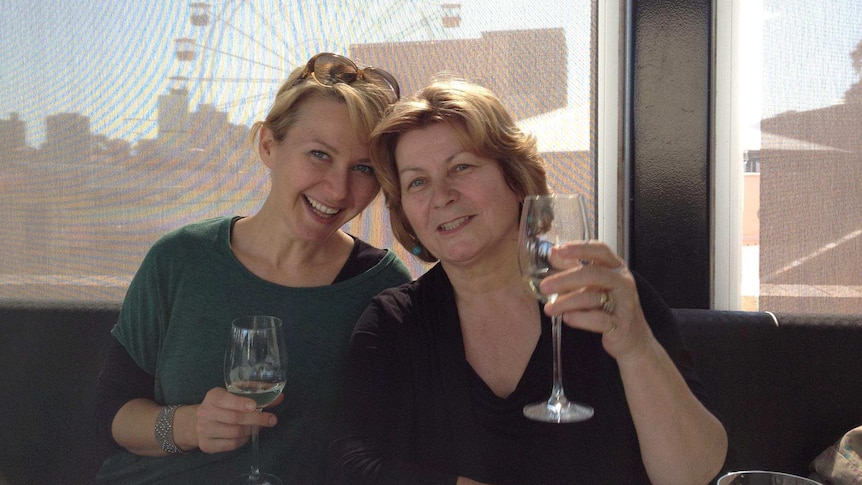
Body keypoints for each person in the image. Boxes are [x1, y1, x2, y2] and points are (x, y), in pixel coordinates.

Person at [328, 78, 728, 484]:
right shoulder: (394, 323)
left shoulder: (605, 298)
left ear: (516, 178)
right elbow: (352, 464)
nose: (441, 195)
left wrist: (637, 347)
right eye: (418, 181)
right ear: (405, 211)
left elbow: (693, 475)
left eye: (461, 167)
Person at [93, 52, 413, 484]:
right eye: (319, 154)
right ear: (267, 145)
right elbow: (112, 416)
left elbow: (388, 444)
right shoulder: (180, 258)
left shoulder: (382, 286)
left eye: (363, 168)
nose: (338, 190)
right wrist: (189, 425)